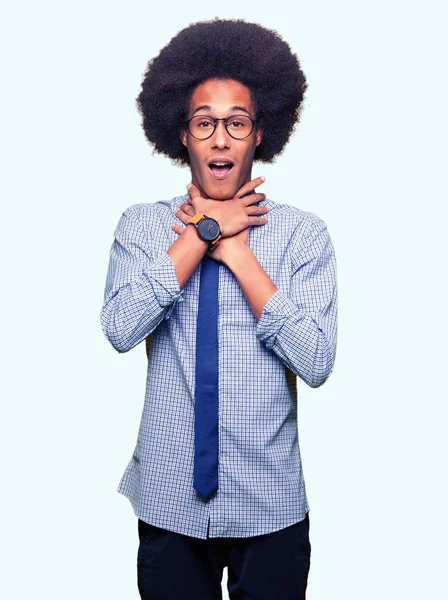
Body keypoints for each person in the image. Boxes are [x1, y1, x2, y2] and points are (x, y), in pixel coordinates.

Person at [100, 17, 338, 600]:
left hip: (270, 507)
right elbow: (120, 327)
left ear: (261, 134)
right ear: (182, 134)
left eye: (236, 123)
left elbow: (317, 361)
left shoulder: (303, 238)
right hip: (169, 503)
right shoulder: (142, 227)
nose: (220, 139)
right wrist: (202, 233)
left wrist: (236, 253)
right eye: (204, 123)